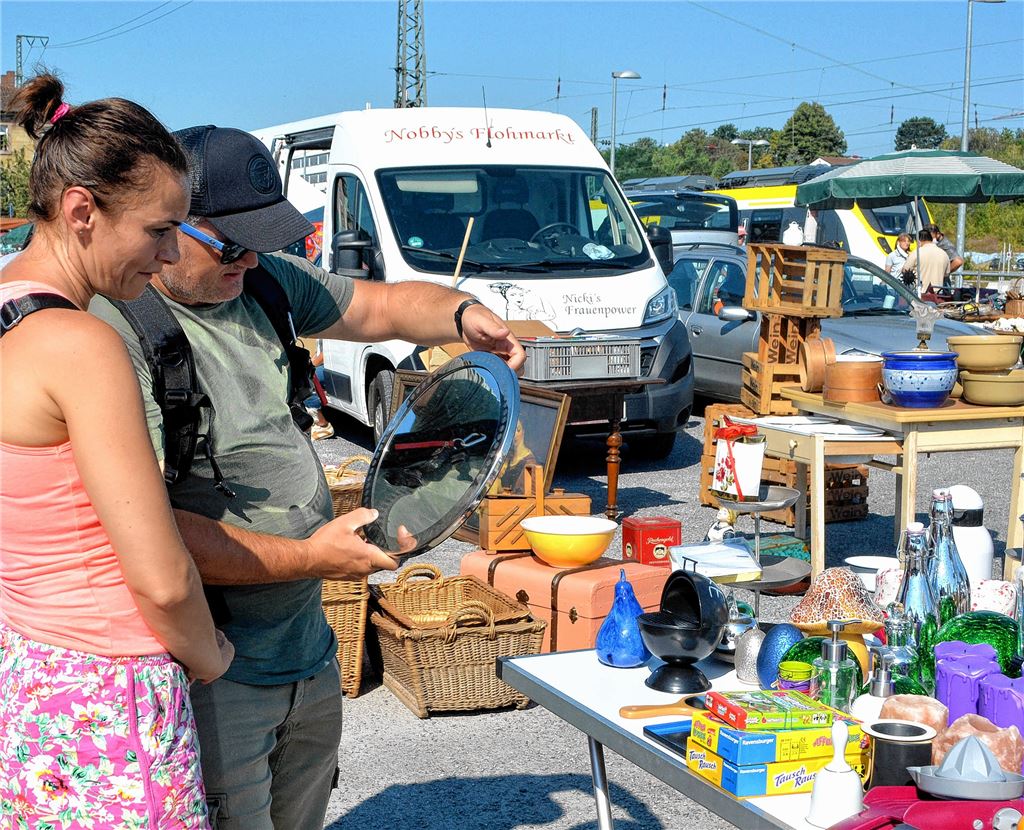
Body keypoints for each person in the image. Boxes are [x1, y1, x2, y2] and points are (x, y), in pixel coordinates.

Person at [90, 125, 525, 830]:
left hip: (308, 652)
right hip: (212, 672)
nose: (249, 258)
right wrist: (311, 557)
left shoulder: (262, 282)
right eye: (229, 243)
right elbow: (148, 535)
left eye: (262, 239)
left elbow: (376, 306)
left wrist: (464, 314)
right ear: (169, 227)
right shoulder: (116, 331)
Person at [0, 75, 233, 828]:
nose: (167, 256)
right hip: (112, 692)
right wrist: (210, 655)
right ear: (81, 211)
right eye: (158, 230)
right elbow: (161, 579)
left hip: (32, 675)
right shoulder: (81, 345)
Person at [901, 228, 950, 296]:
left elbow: (905, 271)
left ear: (919, 241)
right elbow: (946, 274)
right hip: (939, 295)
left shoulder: (916, 253)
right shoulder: (944, 254)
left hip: (920, 294)